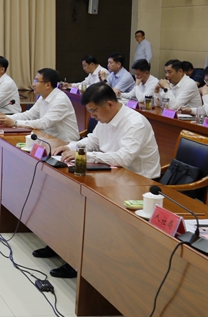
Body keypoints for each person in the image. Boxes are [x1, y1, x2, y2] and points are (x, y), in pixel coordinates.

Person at [44, 83, 160, 278]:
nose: (92, 116)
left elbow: (123, 158)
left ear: (109, 105)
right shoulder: (106, 118)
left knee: (88, 208)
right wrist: (71, 147)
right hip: (111, 174)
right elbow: (93, 141)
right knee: (67, 195)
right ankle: (59, 246)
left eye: (94, 111)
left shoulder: (135, 123)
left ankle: (79, 263)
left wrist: (86, 155)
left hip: (138, 184)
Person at [0, 68, 80, 142]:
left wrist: (15, 123)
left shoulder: (60, 100)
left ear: (48, 85)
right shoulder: (43, 97)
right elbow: (29, 115)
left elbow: (43, 123)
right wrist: (4, 118)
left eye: (36, 81)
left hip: (65, 143)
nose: (33, 84)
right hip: (47, 138)